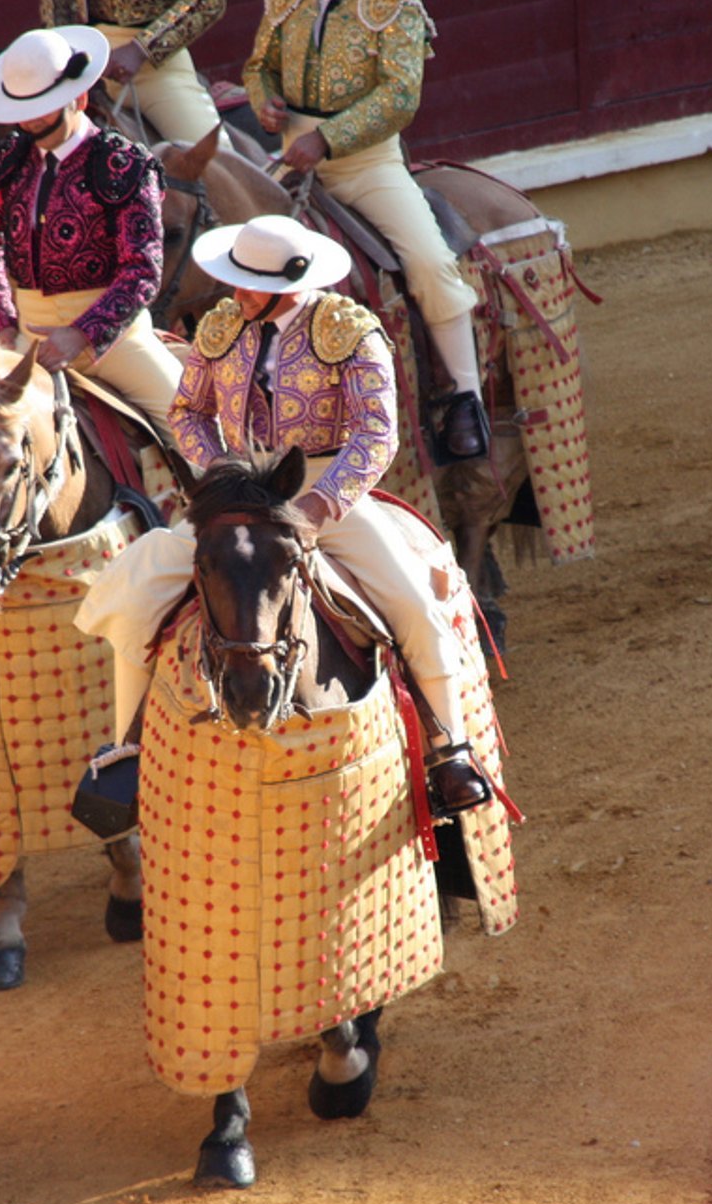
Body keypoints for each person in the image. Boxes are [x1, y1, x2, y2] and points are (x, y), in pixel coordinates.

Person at [74, 214, 492, 812]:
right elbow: (188, 411)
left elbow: (377, 434)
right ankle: (126, 751)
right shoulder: (221, 325)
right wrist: (221, 471)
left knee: (414, 606)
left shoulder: (352, 330)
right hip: (239, 492)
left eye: (251, 284)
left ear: (293, 283)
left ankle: (450, 749)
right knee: (134, 583)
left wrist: (320, 504)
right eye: (236, 279)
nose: (237, 292)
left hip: (321, 491)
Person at [243, 0, 490, 462]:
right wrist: (264, 100)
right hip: (294, 157)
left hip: (367, 166)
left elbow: (400, 95)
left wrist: (328, 139)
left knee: (430, 260)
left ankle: (467, 398)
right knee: (239, 254)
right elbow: (259, 66)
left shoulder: (394, 1)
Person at [0, 25, 181, 429]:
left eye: (41, 109)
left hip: (118, 343)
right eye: (21, 111)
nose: (28, 123)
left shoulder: (125, 164)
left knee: (194, 431)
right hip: (28, 341)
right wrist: (5, 324)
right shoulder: (5, 165)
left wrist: (82, 333)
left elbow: (142, 271)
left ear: (78, 98)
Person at [39, 0, 228, 147]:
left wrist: (141, 49)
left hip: (155, 69)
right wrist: (63, 48)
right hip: (86, 59)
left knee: (212, 158)